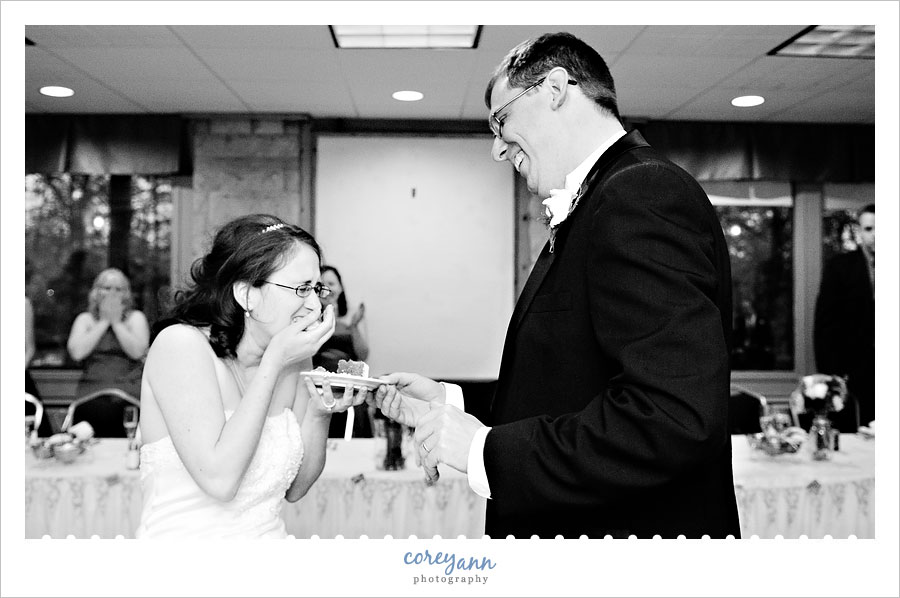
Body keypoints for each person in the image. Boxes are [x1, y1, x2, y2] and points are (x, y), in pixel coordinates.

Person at [372, 32, 739, 539]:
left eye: (500, 121)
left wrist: (482, 450)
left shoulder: (639, 193)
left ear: (555, 89)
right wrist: (452, 407)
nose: (497, 148)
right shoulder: (603, 199)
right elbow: (573, 383)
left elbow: (671, 417)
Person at [135, 214, 367, 538]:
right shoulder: (179, 346)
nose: (315, 306)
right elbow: (219, 480)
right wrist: (273, 362)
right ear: (247, 294)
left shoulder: (294, 360)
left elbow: (296, 488)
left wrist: (319, 413)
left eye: (317, 289)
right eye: (302, 289)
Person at [66, 268, 150, 436]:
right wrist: (104, 321)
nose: (112, 293)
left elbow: (137, 352)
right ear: (96, 292)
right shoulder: (85, 319)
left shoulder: (136, 318)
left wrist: (117, 323)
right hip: (91, 393)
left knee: (117, 413)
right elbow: (77, 353)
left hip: (128, 392)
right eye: (107, 288)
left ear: (126, 294)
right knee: (96, 413)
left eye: (118, 289)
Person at [813, 203, 875, 431]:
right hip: (853, 376)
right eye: (869, 229)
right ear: (859, 231)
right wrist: (833, 378)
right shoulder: (840, 267)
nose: (876, 235)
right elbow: (825, 325)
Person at [313, 265, 372, 438]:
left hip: (348, 386)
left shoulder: (352, 316)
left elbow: (363, 355)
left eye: (332, 283)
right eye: (322, 284)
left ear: (340, 288)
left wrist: (353, 325)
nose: (327, 288)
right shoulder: (309, 318)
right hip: (319, 386)